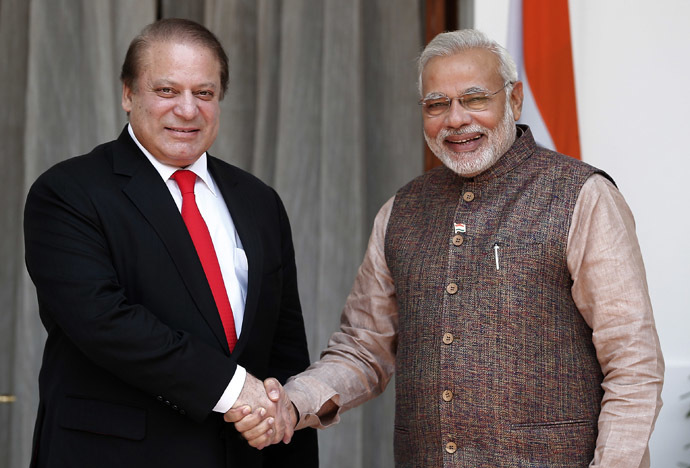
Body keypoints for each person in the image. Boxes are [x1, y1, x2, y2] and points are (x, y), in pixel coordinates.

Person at [229, 29, 664, 467]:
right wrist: (292, 402)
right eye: (437, 104)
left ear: (513, 100)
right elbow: (364, 348)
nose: (455, 119)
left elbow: (634, 364)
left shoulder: (582, 196)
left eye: (475, 99)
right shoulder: (400, 210)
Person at [23, 18, 317, 468]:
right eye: (166, 91)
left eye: (204, 93)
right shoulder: (69, 192)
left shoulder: (259, 201)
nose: (187, 110)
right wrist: (237, 390)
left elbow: (284, 346)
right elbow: (105, 322)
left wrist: (281, 415)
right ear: (128, 94)